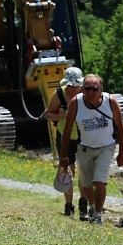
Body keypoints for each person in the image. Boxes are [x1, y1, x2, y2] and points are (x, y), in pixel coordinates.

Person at [59, 73, 123, 225]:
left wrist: (122, 153)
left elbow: (121, 128)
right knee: (86, 184)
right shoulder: (76, 103)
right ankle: (92, 205)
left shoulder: (111, 102)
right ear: (82, 89)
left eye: (94, 89)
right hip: (84, 148)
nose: (91, 92)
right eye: (87, 88)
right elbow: (67, 131)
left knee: (99, 180)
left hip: (106, 146)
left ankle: (97, 214)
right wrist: (64, 156)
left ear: (101, 89)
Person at [43, 66, 88, 219]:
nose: (73, 89)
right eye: (70, 86)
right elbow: (47, 114)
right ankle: (68, 205)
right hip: (65, 137)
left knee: (84, 171)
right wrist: (63, 115)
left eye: (76, 86)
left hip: (84, 137)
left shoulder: (88, 93)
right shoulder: (59, 94)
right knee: (68, 170)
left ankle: (84, 203)